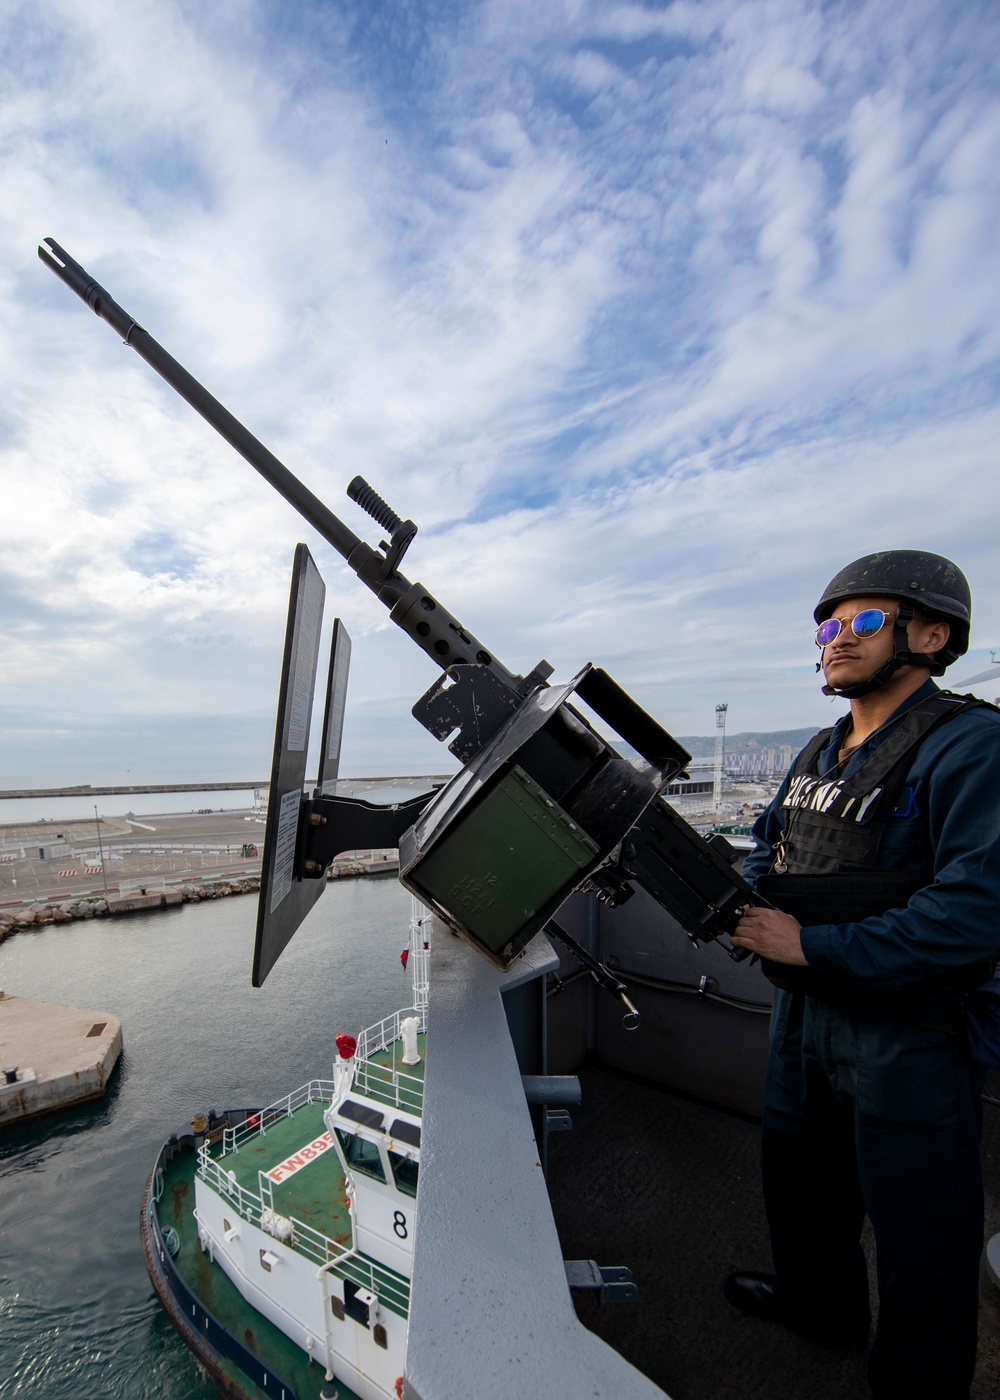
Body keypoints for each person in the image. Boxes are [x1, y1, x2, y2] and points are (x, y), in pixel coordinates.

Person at [727, 550, 1000, 1400]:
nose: (837, 640)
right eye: (828, 626)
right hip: (805, 1021)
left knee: (923, 1234)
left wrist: (809, 947)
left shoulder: (971, 745)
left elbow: (974, 909)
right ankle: (820, 1305)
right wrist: (734, 898)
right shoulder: (819, 748)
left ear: (929, 635)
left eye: (864, 622)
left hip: (906, 1034)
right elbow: (770, 845)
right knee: (801, 1184)